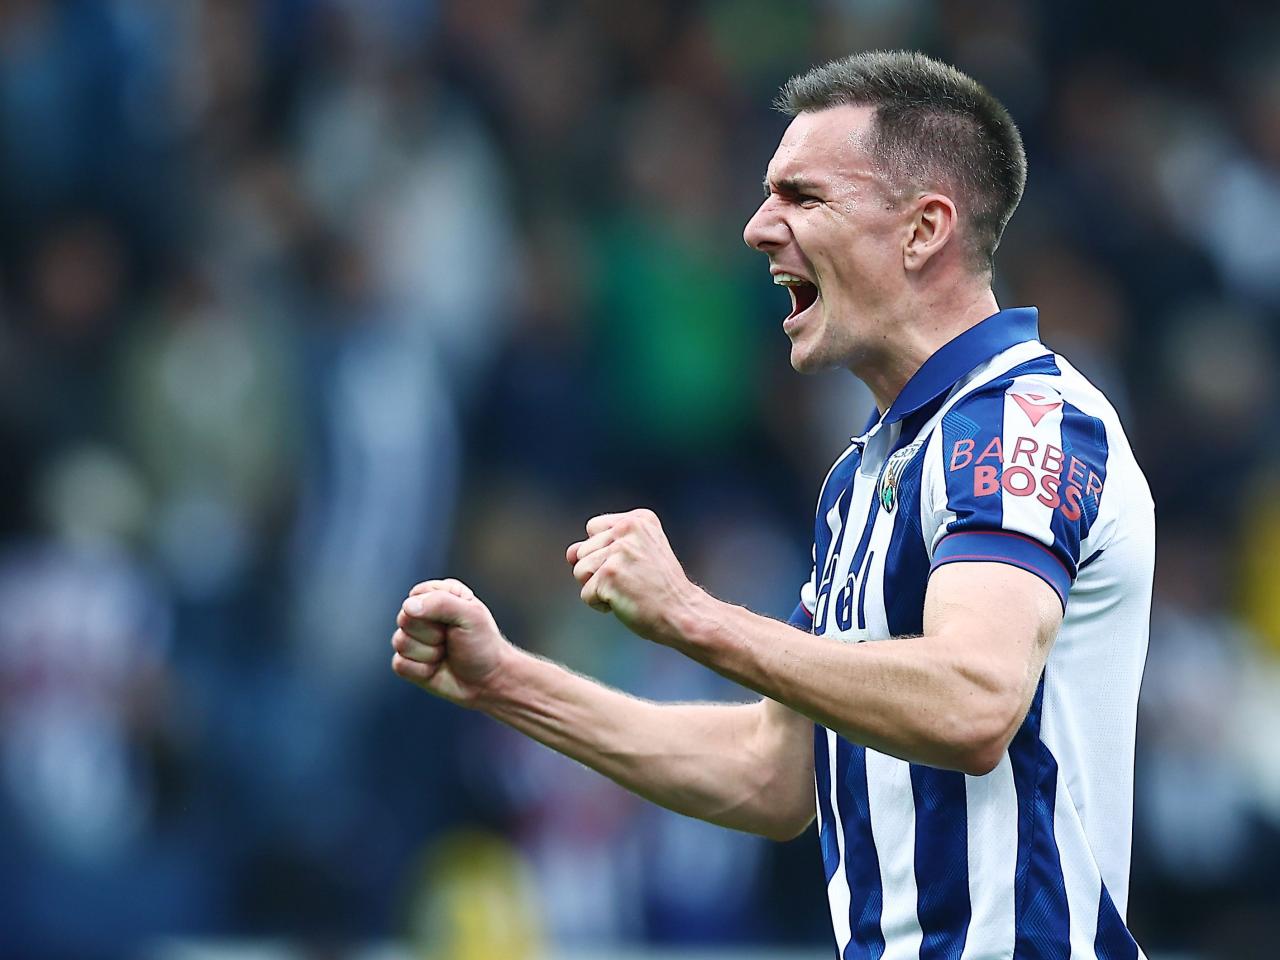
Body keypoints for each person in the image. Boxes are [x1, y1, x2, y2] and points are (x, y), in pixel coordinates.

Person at [390, 50, 1154, 958]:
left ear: (923, 230)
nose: (757, 228)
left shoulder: (1024, 423)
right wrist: (507, 684)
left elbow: (974, 702)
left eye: (803, 197)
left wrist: (690, 617)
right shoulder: (862, 479)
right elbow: (773, 774)